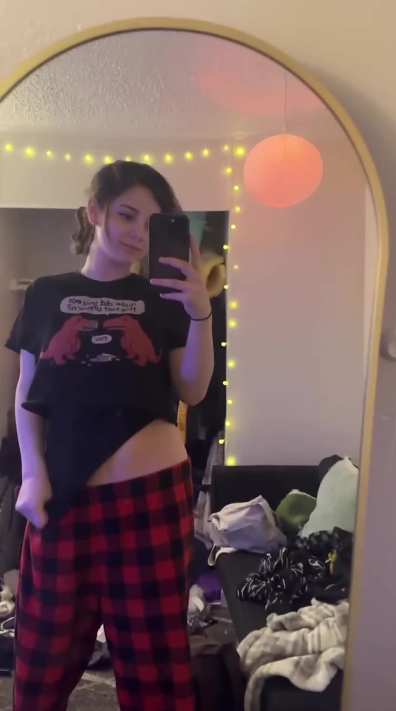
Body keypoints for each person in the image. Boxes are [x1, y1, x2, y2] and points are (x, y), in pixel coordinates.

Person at [6, 160, 214, 711]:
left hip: (151, 500)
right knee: (41, 661)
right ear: (94, 211)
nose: (139, 232)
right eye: (126, 215)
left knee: (155, 669)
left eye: (153, 222)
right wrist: (32, 474)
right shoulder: (47, 293)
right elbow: (27, 393)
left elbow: (192, 390)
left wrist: (201, 313)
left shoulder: (166, 297)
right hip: (63, 496)